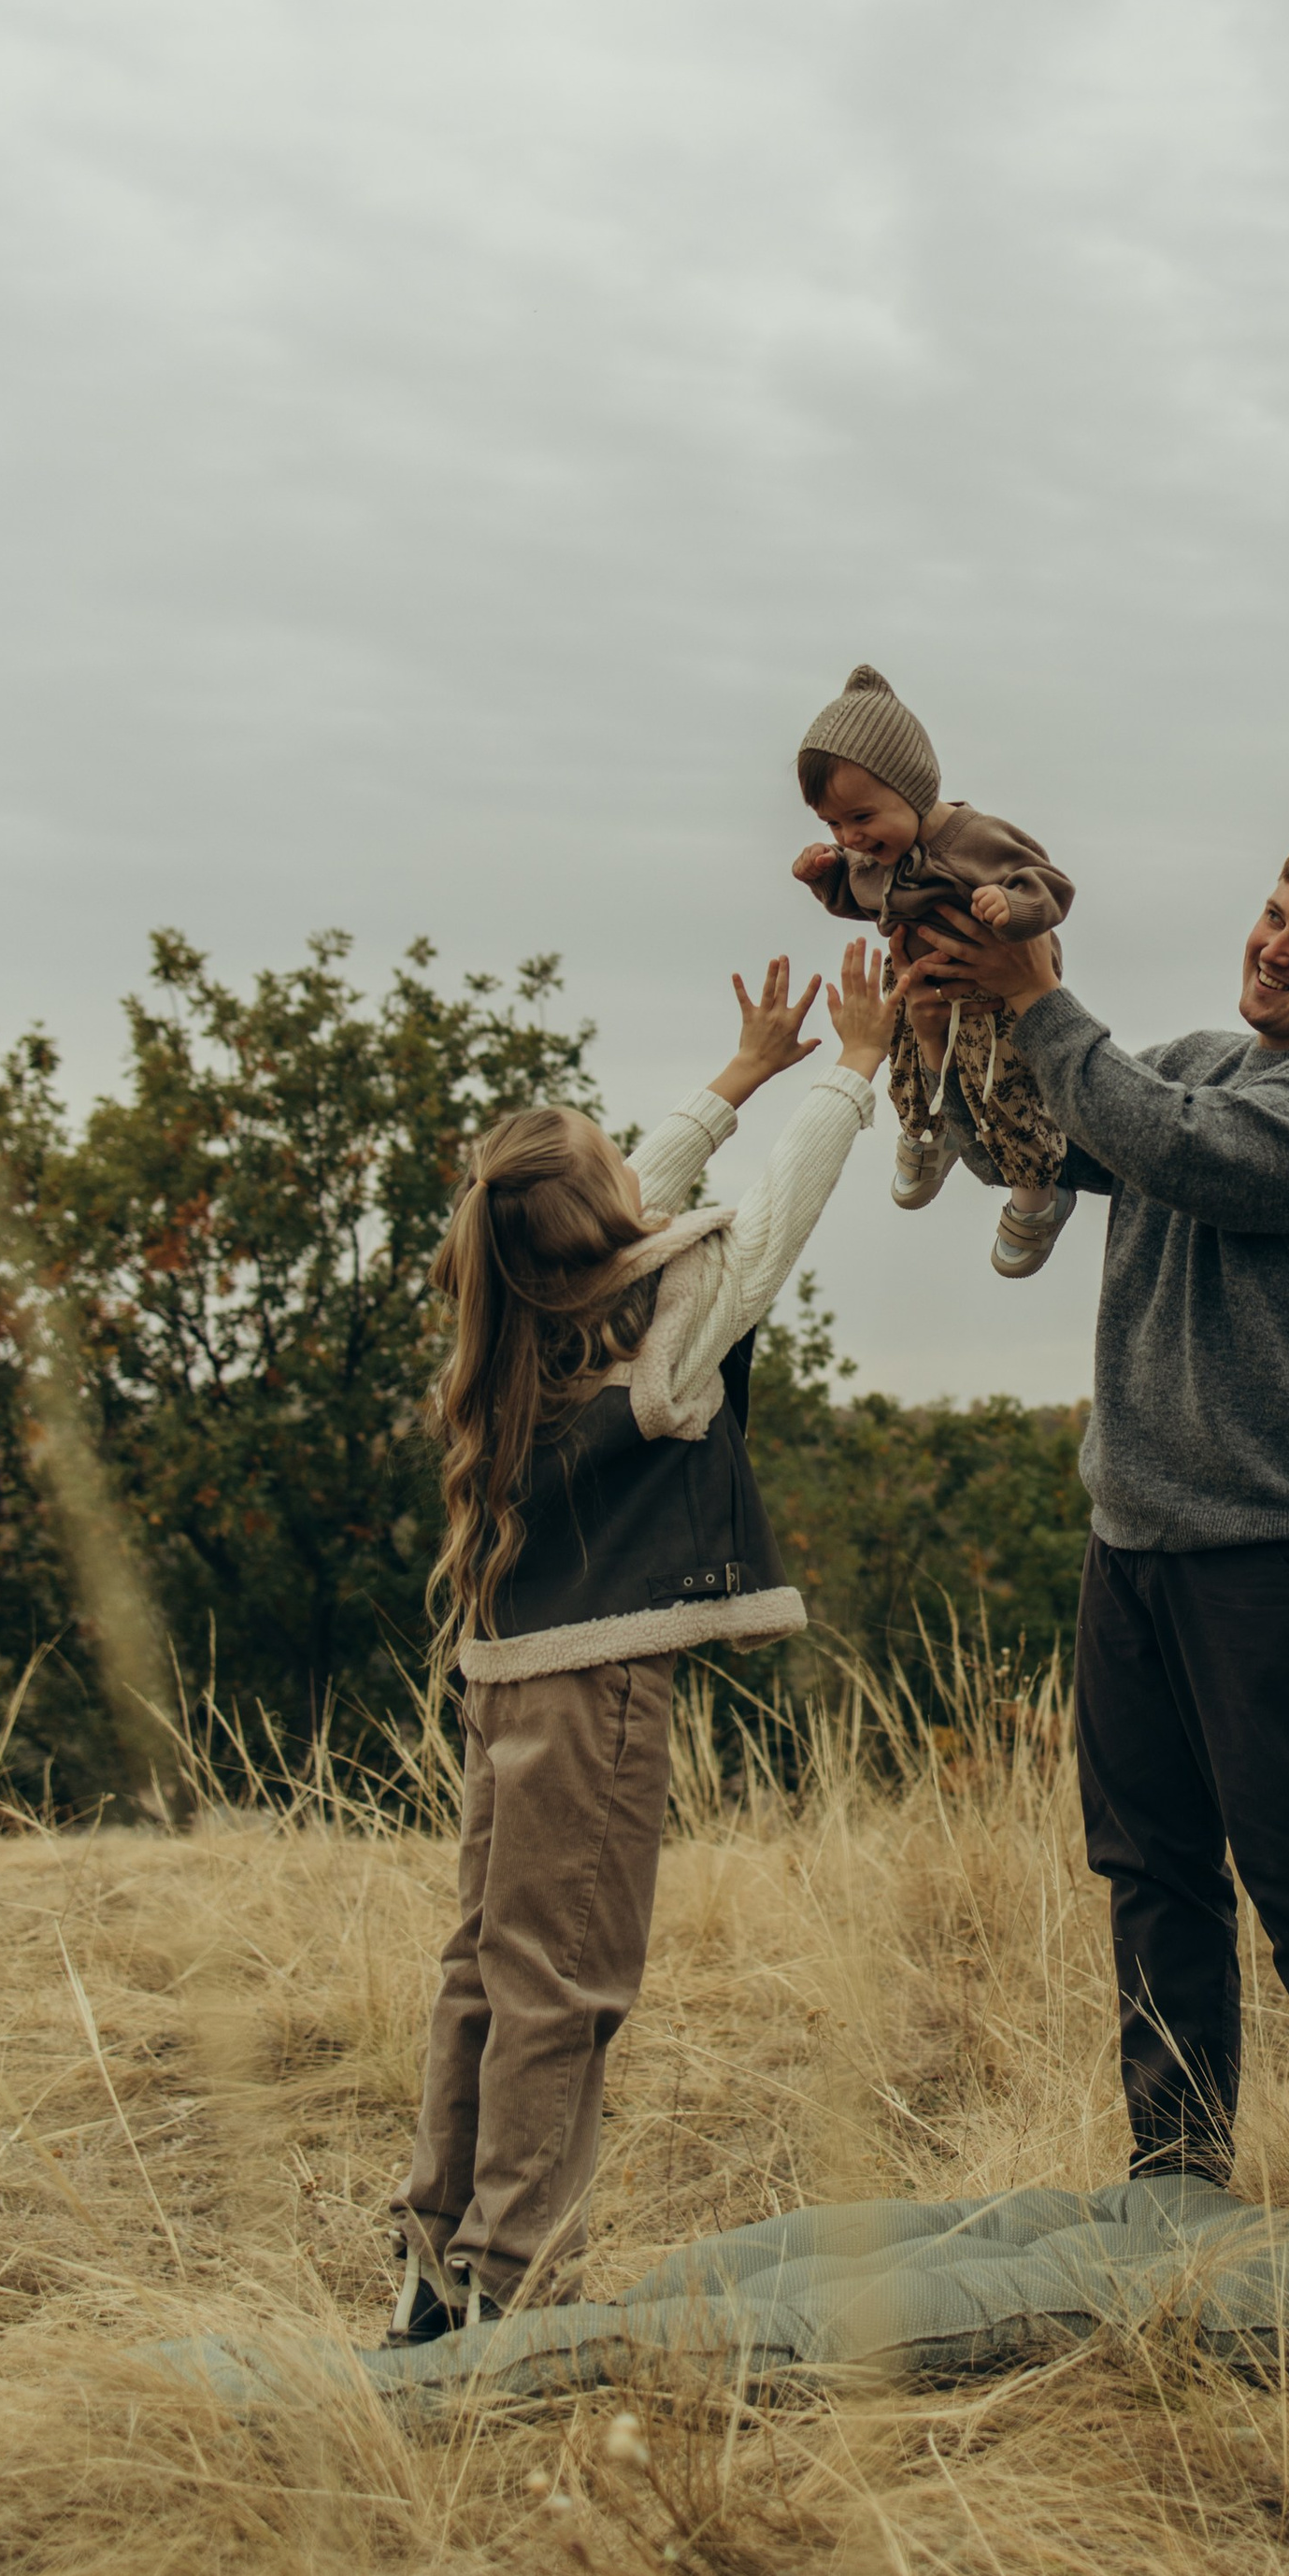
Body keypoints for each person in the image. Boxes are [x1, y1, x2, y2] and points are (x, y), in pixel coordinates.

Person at [914, 836, 1289, 2253]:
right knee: (1152, 1875)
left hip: (1282, 1555)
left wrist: (1040, 999)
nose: (1274, 947)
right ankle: (1176, 2190)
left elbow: (1172, 1150)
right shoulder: (1197, 1060)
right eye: (1274, 918)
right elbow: (1033, 1139)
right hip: (1136, 1536)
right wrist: (956, 1010)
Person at [386, 944, 899, 2340]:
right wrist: (852, 1070)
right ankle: (510, 2284)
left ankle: (439, 2261)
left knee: (483, 1974)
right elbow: (773, 1215)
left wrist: (736, 1077)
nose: (643, 1178)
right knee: (566, 1985)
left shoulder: (507, 1313)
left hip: (505, 1691)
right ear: (605, 1216)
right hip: (597, 1692)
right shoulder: (663, 1339)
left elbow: (614, 1201)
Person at [792, 662, 1079, 1277]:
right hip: (926, 990)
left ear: (914, 789)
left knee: (1008, 1097)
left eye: (861, 818)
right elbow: (862, 896)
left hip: (999, 1000)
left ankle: (1038, 1195)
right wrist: (827, 880)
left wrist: (1014, 906)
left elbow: (1050, 886)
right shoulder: (873, 854)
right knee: (905, 1065)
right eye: (833, 825)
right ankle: (932, 1131)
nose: (851, 837)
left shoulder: (975, 839)